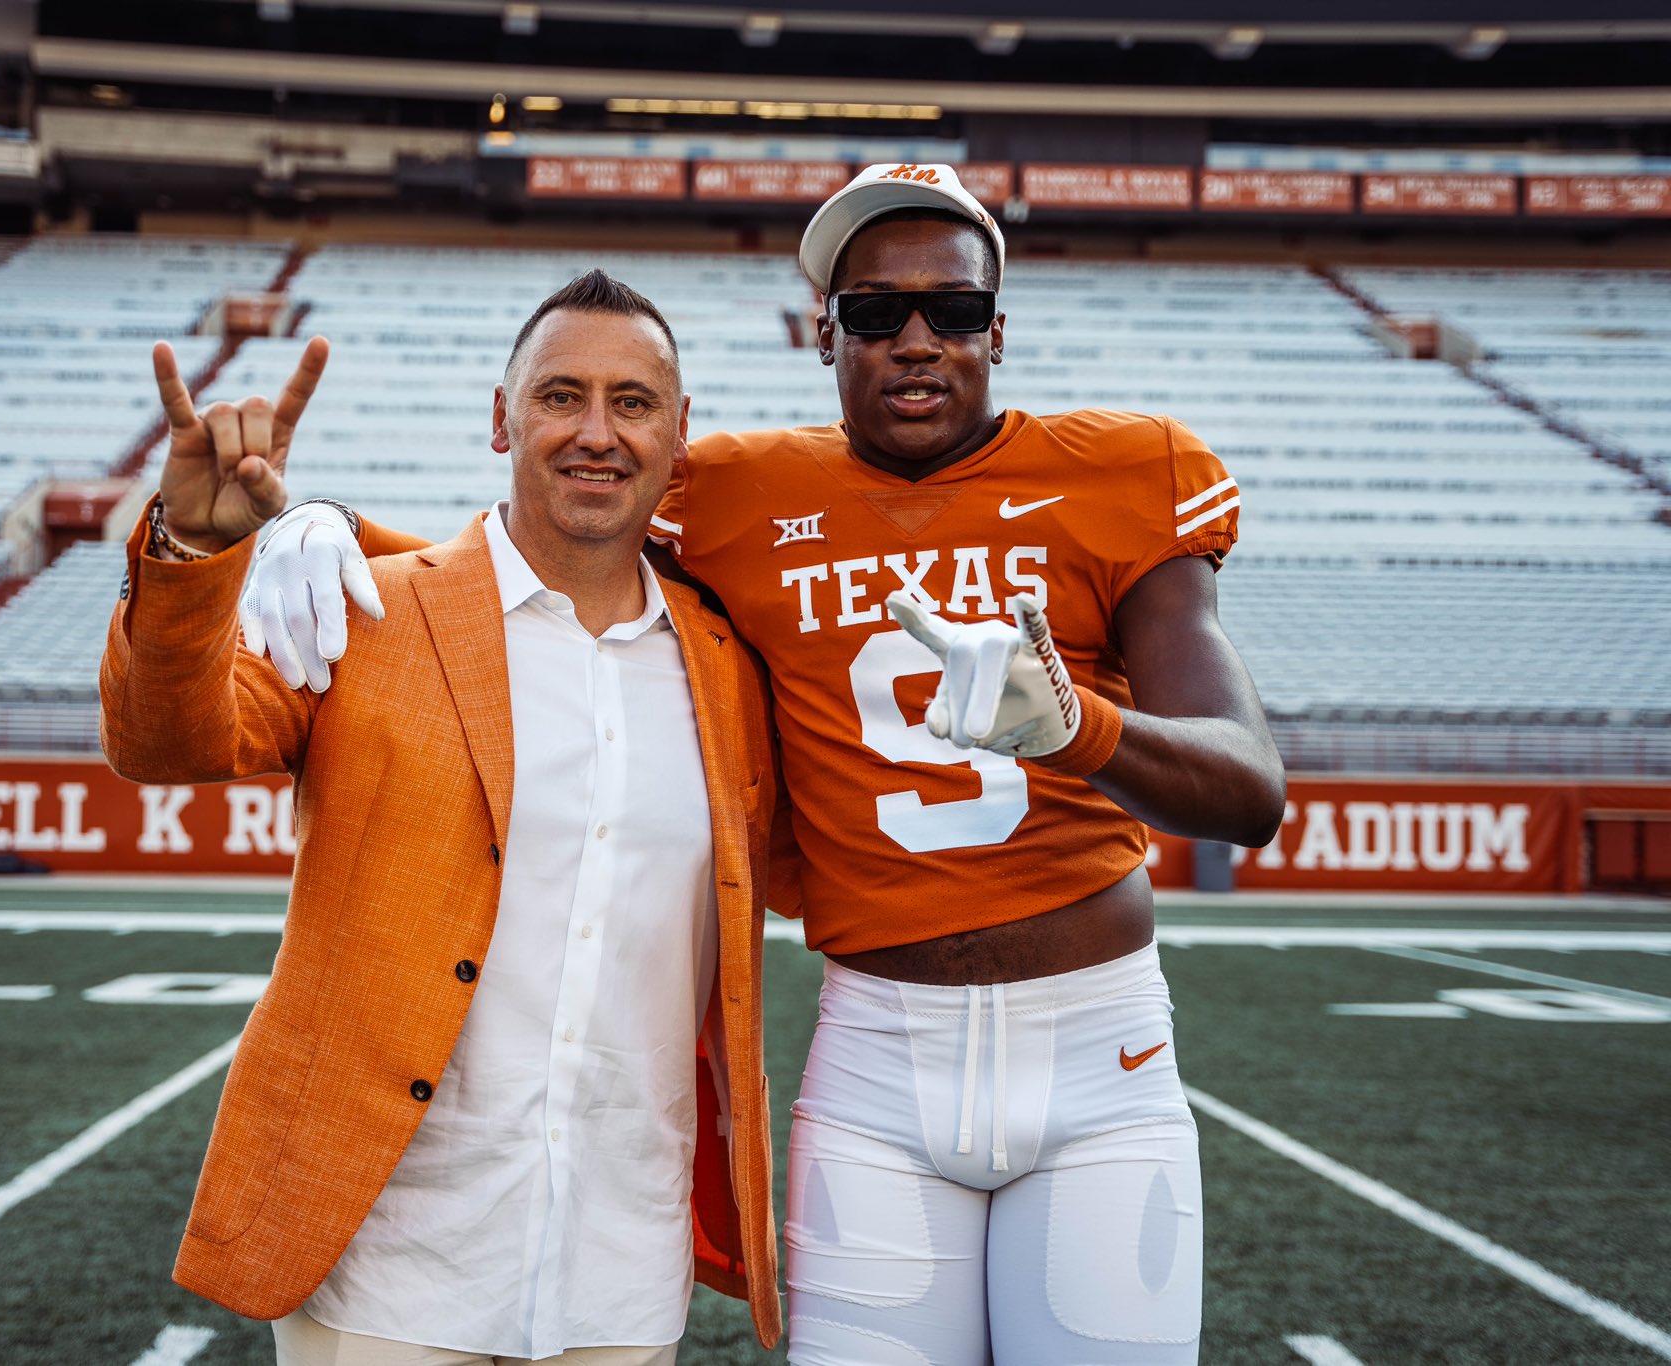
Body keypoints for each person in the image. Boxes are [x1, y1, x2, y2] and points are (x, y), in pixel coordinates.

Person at [244, 163, 1287, 1363]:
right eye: (870, 312)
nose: (912, 341)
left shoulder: (1122, 470)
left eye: (948, 312)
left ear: (996, 330)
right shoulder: (736, 492)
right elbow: (543, 537)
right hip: (879, 1060)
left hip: (1100, 1049)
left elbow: (1247, 786)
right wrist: (333, 524)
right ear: (821, 333)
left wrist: (1073, 726)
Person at [99, 270, 783, 1364]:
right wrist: (192, 550)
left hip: (620, 1263)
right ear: (501, 415)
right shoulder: (368, 605)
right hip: (389, 1262)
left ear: (680, 430)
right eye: (560, 396)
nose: (595, 433)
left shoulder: (725, 666)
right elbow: (164, 744)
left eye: (632, 401)